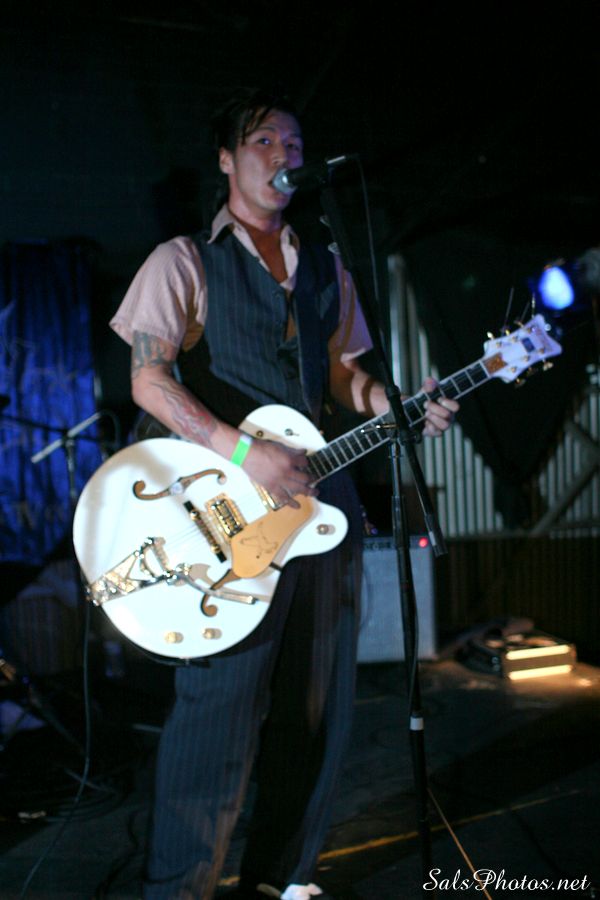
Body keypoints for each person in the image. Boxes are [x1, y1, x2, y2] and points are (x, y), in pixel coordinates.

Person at [110, 87, 458, 900]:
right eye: (264, 140)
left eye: (295, 143)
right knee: (219, 709)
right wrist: (242, 449)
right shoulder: (184, 260)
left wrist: (401, 404)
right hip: (230, 514)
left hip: (322, 509)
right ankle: (180, 888)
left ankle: (283, 878)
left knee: (316, 706)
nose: (284, 154)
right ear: (227, 159)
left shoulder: (327, 267)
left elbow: (345, 377)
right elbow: (149, 380)